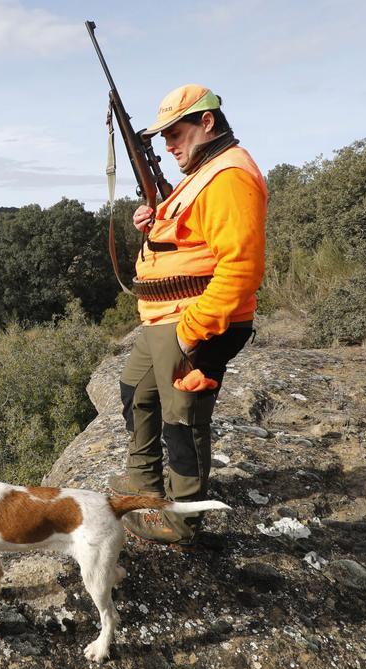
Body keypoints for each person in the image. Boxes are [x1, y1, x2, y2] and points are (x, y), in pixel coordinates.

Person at [107, 84, 267, 547]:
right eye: (162, 138)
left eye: (175, 133)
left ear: (207, 123)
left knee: (183, 422)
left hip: (191, 321)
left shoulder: (229, 176)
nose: (168, 145)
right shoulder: (203, 174)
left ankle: (180, 521)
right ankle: (143, 484)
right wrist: (153, 220)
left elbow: (241, 267)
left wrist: (192, 335)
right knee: (135, 391)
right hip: (161, 320)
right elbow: (189, 233)